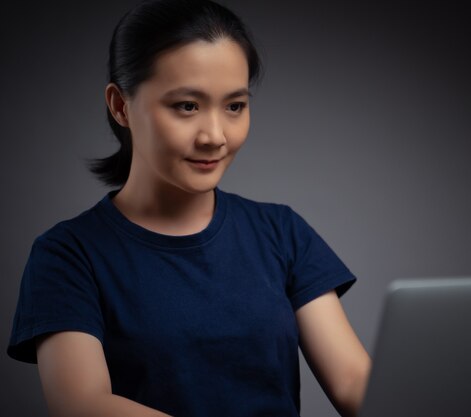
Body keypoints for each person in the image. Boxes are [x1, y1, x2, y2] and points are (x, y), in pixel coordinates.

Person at [6, 1, 371, 416]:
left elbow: (353, 381)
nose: (215, 136)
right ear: (120, 106)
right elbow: (80, 404)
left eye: (234, 106)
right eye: (187, 106)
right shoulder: (68, 254)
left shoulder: (281, 232)